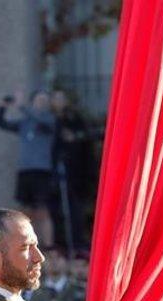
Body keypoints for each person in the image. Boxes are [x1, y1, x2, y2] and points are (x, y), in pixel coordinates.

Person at [0, 90, 58, 246]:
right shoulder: (25, 122)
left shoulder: (49, 119)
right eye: (38, 100)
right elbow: (2, 123)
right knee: (25, 209)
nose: (41, 103)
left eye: (44, 101)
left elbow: (40, 119)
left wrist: (21, 106)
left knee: (42, 209)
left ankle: (49, 246)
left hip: (41, 170)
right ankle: (27, 241)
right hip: (25, 170)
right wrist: (2, 107)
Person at [51, 90, 96, 250]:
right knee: (56, 211)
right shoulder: (50, 119)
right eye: (55, 99)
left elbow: (86, 136)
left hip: (76, 172)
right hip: (53, 172)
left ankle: (77, 241)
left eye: (61, 99)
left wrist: (74, 137)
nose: (58, 102)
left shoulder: (73, 118)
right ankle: (59, 242)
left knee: (75, 209)